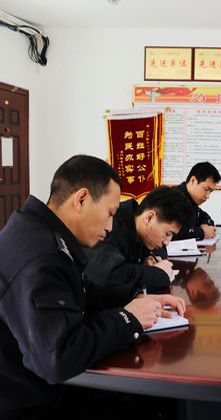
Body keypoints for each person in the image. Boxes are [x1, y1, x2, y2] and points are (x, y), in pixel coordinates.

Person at [0, 155, 186, 419]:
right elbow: (58, 358)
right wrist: (128, 318)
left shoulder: (38, 231)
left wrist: (136, 302)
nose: (110, 227)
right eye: (110, 213)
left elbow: (81, 292)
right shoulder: (42, 257)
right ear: (82, 199)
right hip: (32, 401)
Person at [84, 186, 194, 295]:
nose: (167, 242)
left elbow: (160, 252)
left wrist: (150, 257)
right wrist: (156, 273)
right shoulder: (112, 226)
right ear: (149, 218)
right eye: (168, 234)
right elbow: (108, 278)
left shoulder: (140, 228)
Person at [173, 161, 221, 241]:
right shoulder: (173, 198)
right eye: (206, 189)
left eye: (211, 191)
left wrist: (204, 225)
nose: (207, 196)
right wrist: (202, 232)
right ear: (193, 180)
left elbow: (206, 217)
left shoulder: (191, 200)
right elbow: (173, 232)